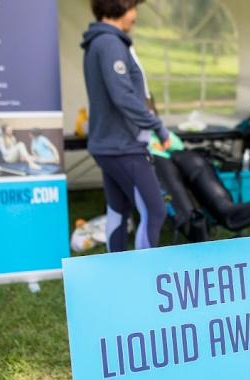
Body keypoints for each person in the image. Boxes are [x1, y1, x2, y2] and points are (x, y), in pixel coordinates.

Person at [81, 0, 169, 252]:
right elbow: (123, 96)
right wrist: (157, 126)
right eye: (133, 8)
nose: (135, 15)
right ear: (119, 7)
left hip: (110, 145)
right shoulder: (110, 43)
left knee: (118, 210)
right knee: (154, 211)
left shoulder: (99, 42)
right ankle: (145, 272)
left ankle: (116, 270)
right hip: (123, 147)